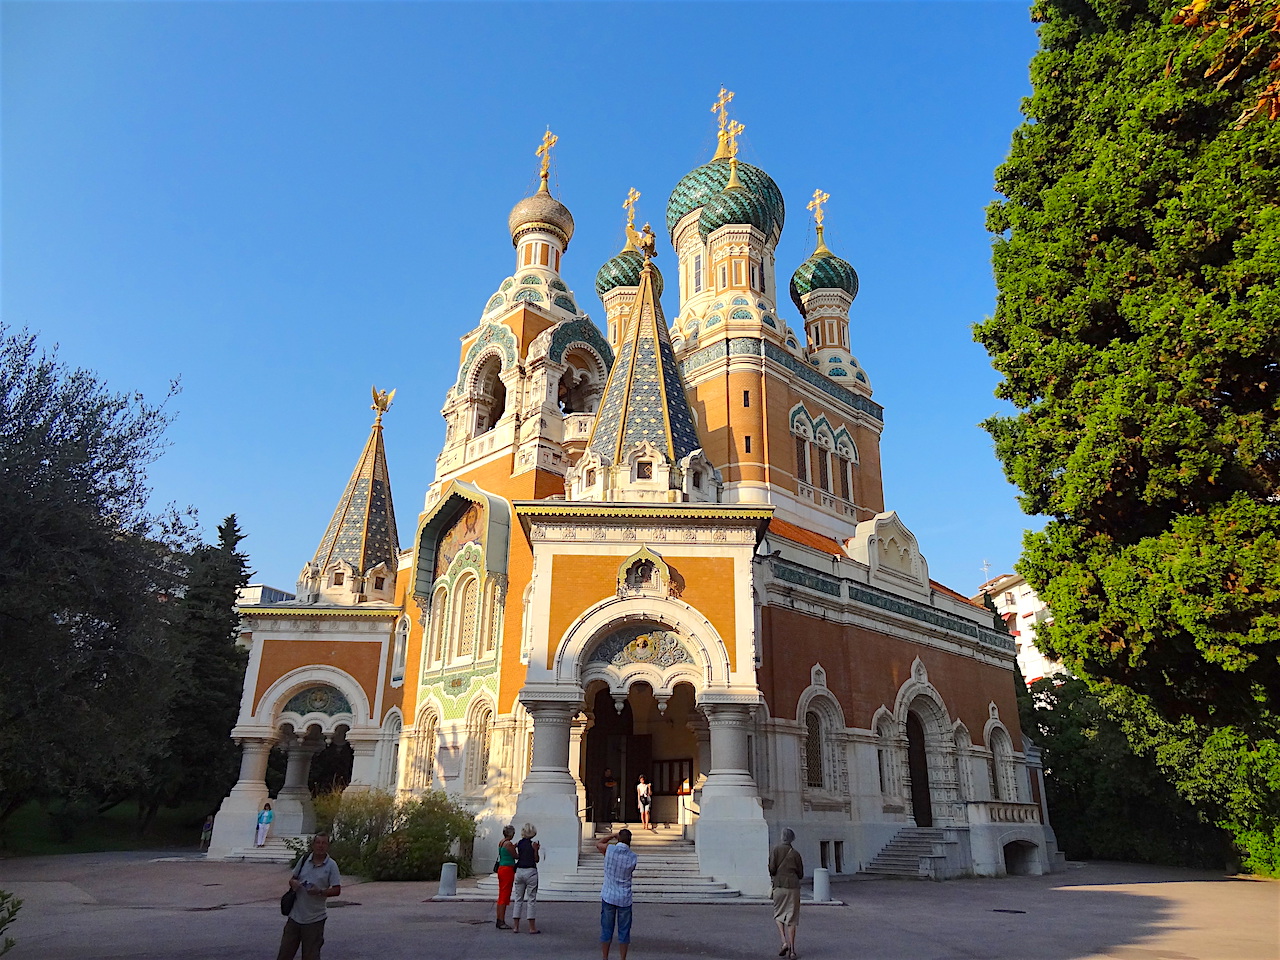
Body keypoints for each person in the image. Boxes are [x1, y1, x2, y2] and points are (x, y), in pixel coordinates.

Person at [276, 832, 341, 960]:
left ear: (328, 846)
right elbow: (292, 878)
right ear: (313, 844)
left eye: (324, 843)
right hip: (295, 916)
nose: (320, 846)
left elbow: (337, 890)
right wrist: (294, 883)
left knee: (310, 956)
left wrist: (320, 891)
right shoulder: (305, 859)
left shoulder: (331, 866)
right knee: (284, 954)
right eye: (318, 842)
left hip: (315, 919)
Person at [596, 828, 638, 960]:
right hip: (624, 897)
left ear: (619, 838)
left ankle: (605, 957)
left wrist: (611, 836)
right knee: (624, 931)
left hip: (609, 894)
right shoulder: (633, 857)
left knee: (606, 929)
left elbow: (598, 844)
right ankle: (623, 958)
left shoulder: (609, 850)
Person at [768, 827, 804, 960]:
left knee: (778, 914)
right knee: (792, 919)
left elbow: (772, 869)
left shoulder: (775, 850)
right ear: (792, 839)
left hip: (779, 885)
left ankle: (784, 942)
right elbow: (800, 874)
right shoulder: (795, 853)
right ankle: (793, 950)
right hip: (793, 887)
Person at [511, 822, 541, 934]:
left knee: (518, 899)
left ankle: (516, 926)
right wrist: (536, 850)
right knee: (531, 899)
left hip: (519, 871)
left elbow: (516, 854)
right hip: (531, 871)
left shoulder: (519, 843)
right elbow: (536, 859)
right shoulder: (534, 844)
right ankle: (532, 927)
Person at [494, 824, 517, 929]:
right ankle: (501, 920)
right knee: (504, 894)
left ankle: (499, 918)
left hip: (501, 868)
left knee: (501, 894)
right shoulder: (509, 844)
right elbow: (515, 856)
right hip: (507, 869)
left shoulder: (502, 842)